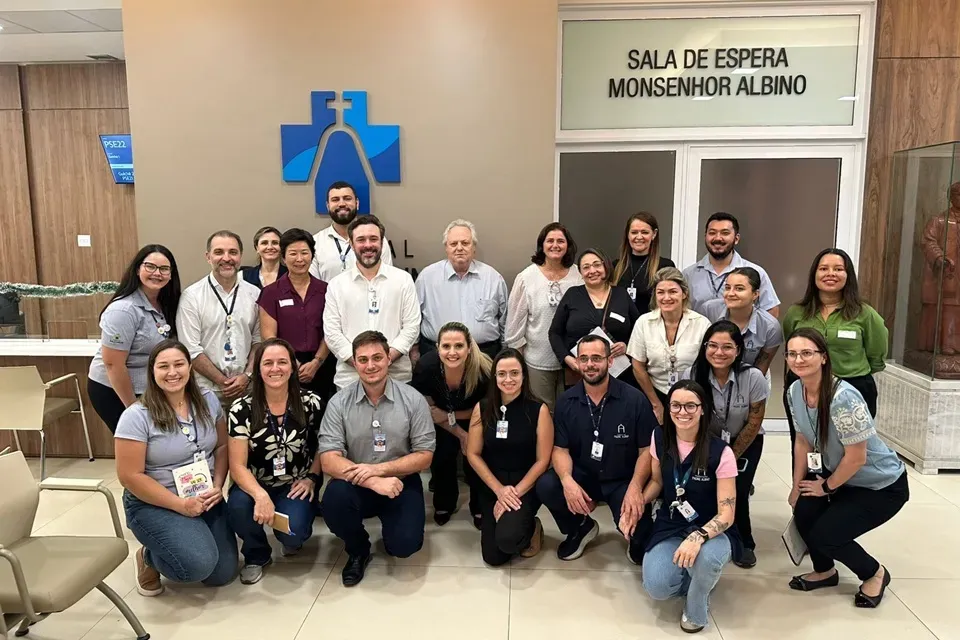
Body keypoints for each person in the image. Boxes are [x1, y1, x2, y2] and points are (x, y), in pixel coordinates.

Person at [785, 328, 908, 609]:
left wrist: (826, 487)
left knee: (826, 535)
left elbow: (856, 458)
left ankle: (874, 573)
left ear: (824, 357)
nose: (798, 359)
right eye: (792, 354)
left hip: (880, 485)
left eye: (807, 353)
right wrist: (796, 486)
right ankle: (825, 571)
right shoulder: (794, 391)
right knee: (804, 511)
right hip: (840, 477)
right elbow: (802, 440)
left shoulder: (844, 398)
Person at [114, 340, 237, 596]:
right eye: (163, 366)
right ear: (152, 371)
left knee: (222, 574)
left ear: (190, 368)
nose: (172, 372)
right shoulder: (136, 416)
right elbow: (129, 476)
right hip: (154, 502)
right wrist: (180, 505)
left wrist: (217, 486)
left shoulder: (208, 400)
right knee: (197, 566)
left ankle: (188, 538)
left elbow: (222, 446)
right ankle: (148, 557)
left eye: (179, 364)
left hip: (203, 495)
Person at [319, 331, 435, 587]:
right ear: (354, 363)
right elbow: (328, 460)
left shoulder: (413, 400)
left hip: (400, 482)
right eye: (363, 359)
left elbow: (424, 456)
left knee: (404, 546)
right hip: (356, 482)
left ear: (388, 359)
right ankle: (358, 549)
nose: (370, 365)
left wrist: (379, 471)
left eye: (377, 358)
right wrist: (372, 480)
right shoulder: (339, 403)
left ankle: (392, 528)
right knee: (334, 500)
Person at [535, 335, 656, 564]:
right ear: (577, 362)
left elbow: (646, 450)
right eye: (584, 358)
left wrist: (635, 487)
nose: (590, 364)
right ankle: (580, 527)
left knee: (641, 536)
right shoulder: (565, 401)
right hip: (583, 477)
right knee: (547, 484)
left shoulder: (634, 400)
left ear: (610, 361)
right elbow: (560, 449)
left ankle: (634, 535)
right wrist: (567, 481)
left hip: (622, 479)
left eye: (597, 358)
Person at [641, 380, 741, 634]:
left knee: (708, 558)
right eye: (675, 405)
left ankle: (697, 602)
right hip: (672, 523)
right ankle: (698, 576)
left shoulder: (721, 452)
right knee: (657, 587)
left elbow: (727, 513)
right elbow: (657, 481)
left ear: (702, 409)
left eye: (690, 406)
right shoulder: (659, 438)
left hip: (712, 528)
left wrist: (698, 538)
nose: (682, 412)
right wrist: (636, 503)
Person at [227, 338, 325, 585]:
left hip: (295, 483)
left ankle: (291, 538)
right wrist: (260, 495)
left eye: (282, 362)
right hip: (253, 483)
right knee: (238, 507)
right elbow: (237, 465)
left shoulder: (311, 402)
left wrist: (311, 478)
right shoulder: (241, 409)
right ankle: (256, 554)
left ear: (293, 367)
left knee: (293, 533)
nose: (275, 368)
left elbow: (323, 446)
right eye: (268, 363)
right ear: (258, 369)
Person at [683, 321, 768, 568]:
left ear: (738, 350)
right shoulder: (693, 375)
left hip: (746, 441)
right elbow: (688, 416)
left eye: (727, 347)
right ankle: (707, 530)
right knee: (704, 486)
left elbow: (755, 421)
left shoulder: (753, 377)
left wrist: (729, 455)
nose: (719, 352)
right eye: (713, 346)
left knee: (737, 489)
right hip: (706, 442)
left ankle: (744, 541)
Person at [466, 349, 553, 566]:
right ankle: (512, 525)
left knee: (508, 540)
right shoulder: (482, 408)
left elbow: (543, 460)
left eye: (514, 373)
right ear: (494, 377)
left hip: (524, 485)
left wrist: (513, 494)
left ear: (524, 375)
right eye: (502, 374)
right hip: (492, 484)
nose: (508, 380)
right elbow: (473, 453)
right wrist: (499, 491)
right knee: (493, 557)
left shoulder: (539, 410)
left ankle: (533, 527)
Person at [782, 248, 888, 418]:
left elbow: (876, 355)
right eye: (823, 268)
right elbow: (790, 346)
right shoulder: (796, 312)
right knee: (803, 434)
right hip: (804, 386)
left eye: (838, 269)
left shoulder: (865, 314)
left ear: (848, 275)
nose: (830, 273)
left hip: (853, 387)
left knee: (852, 435)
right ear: (814, 274)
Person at [88, 245, 182, 434]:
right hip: (115, 390)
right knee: (135, 441)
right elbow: (113, 364)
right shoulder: (123, 310)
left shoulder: (165, 304)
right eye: (150, 266)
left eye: (164, 269)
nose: (157, 273)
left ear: (171, 275)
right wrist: (133, 408)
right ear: (138, 269)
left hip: (148, 389)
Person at [323, 215, 421, 390]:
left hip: (397, 378)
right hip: (350, 381)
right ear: (352, 244)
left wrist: (385, 360)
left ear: (382, 243)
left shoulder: (403, 280)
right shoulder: (336, 285)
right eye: (361, 240)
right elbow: (332, 332)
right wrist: (361, 362)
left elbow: (412, 327)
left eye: (373, 239)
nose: (368, 245)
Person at [411, 322, 492, 528]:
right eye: (446, 346)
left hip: (475, 418)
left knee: (477, 456)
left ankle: (479, 506)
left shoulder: (483, 369)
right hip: (440, 421)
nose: (452, 352)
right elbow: (430, 412)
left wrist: (465, 432)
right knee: (442, 453)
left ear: (469, 348)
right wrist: (461, 434)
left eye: (459, 346)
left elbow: (485, 409)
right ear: (437, 347)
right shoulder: (426, 367)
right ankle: (444, 503)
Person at [176, 230, 261, 405]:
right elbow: (191, 349)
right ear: (208, 257)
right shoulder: (192, 296)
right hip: (206, 392)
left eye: (233, 252)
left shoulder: (255, 294)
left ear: (240, 256)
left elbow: (258, 341)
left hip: (247, 390)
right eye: (219, 252)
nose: (226, 258)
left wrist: (247, 376)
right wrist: (223, 382)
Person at [505, 222, 583, 411]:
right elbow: (514, 326)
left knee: (571, 412)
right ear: (542, 245)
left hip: (574, 362)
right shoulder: (526, 278)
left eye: (560, 241)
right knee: (542, 413)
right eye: (550, 241)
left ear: (568, 245)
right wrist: (518, 364)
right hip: (537, 363)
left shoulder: (579, 275)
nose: (555, 245)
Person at [412, 219, 507, 363]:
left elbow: (505, 321)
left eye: (465, 243)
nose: (459, 248)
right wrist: (414, 349)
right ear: (446, 248)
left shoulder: (493, 278)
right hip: (436, 355)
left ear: (474, 247)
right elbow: (414, 318)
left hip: (484, 355)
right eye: (453, 244)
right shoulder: (427, 278)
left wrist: (505, 354)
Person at [628, 267, 711, 424]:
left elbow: (708, 366)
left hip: (692, 395)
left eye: (673, 291)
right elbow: (638, 367)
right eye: (660, 292)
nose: (666, 297)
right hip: (654, 392)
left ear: (684, 293)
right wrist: (656, 404)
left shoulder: (701, 324)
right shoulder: (644, 323)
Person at [257, 228, 333, 400]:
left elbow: (331, 330)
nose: (299, 259)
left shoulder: (326, 290)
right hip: (284, 366)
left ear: (312, 256)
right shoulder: (270, 293)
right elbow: (269, 337)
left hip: (322, 364)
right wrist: (291, 363)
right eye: (293, 253)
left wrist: (316, 362)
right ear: (283, 258)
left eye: (304, 253)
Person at [549, 249, 639, 389]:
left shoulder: (621, 294)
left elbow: (639, 330)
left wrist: (627, 346)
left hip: (619, 373)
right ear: (580, 272)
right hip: (580, 373)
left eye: (597, 265)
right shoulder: (572, 295)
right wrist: (568, 359)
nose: (592, 271)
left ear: (606, 266)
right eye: (586, 267)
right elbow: (554, 333)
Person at [682, 212, 780, 317]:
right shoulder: (688, 274)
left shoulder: (756, 272)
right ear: (705, 236)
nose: (718, 238)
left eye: (725, 233)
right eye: (712, 233)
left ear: (736, 239)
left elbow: (771, 311)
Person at [699, 267, 783, 374]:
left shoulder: (770, 326)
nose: (730, 293)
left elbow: (760, 370)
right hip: (709, 374)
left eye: (739, 289)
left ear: (755, 294)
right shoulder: (708, 310)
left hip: (750, 377)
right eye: (727, 288)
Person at [309, 181, 393, 283]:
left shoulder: (376, 240)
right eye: (335, 200)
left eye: (347, 198)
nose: (341, 204)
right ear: (328, 206)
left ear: (357, 203)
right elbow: (313, 287)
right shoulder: (315, 242)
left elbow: (387, 280)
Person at [612, 212, 676, 314]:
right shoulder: (615, 266)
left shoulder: (665, 267)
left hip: (651, 323)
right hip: (622, 323)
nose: (639, 237)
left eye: (644, 232)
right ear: (627, 234)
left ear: (654, 234)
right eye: (634, 232)